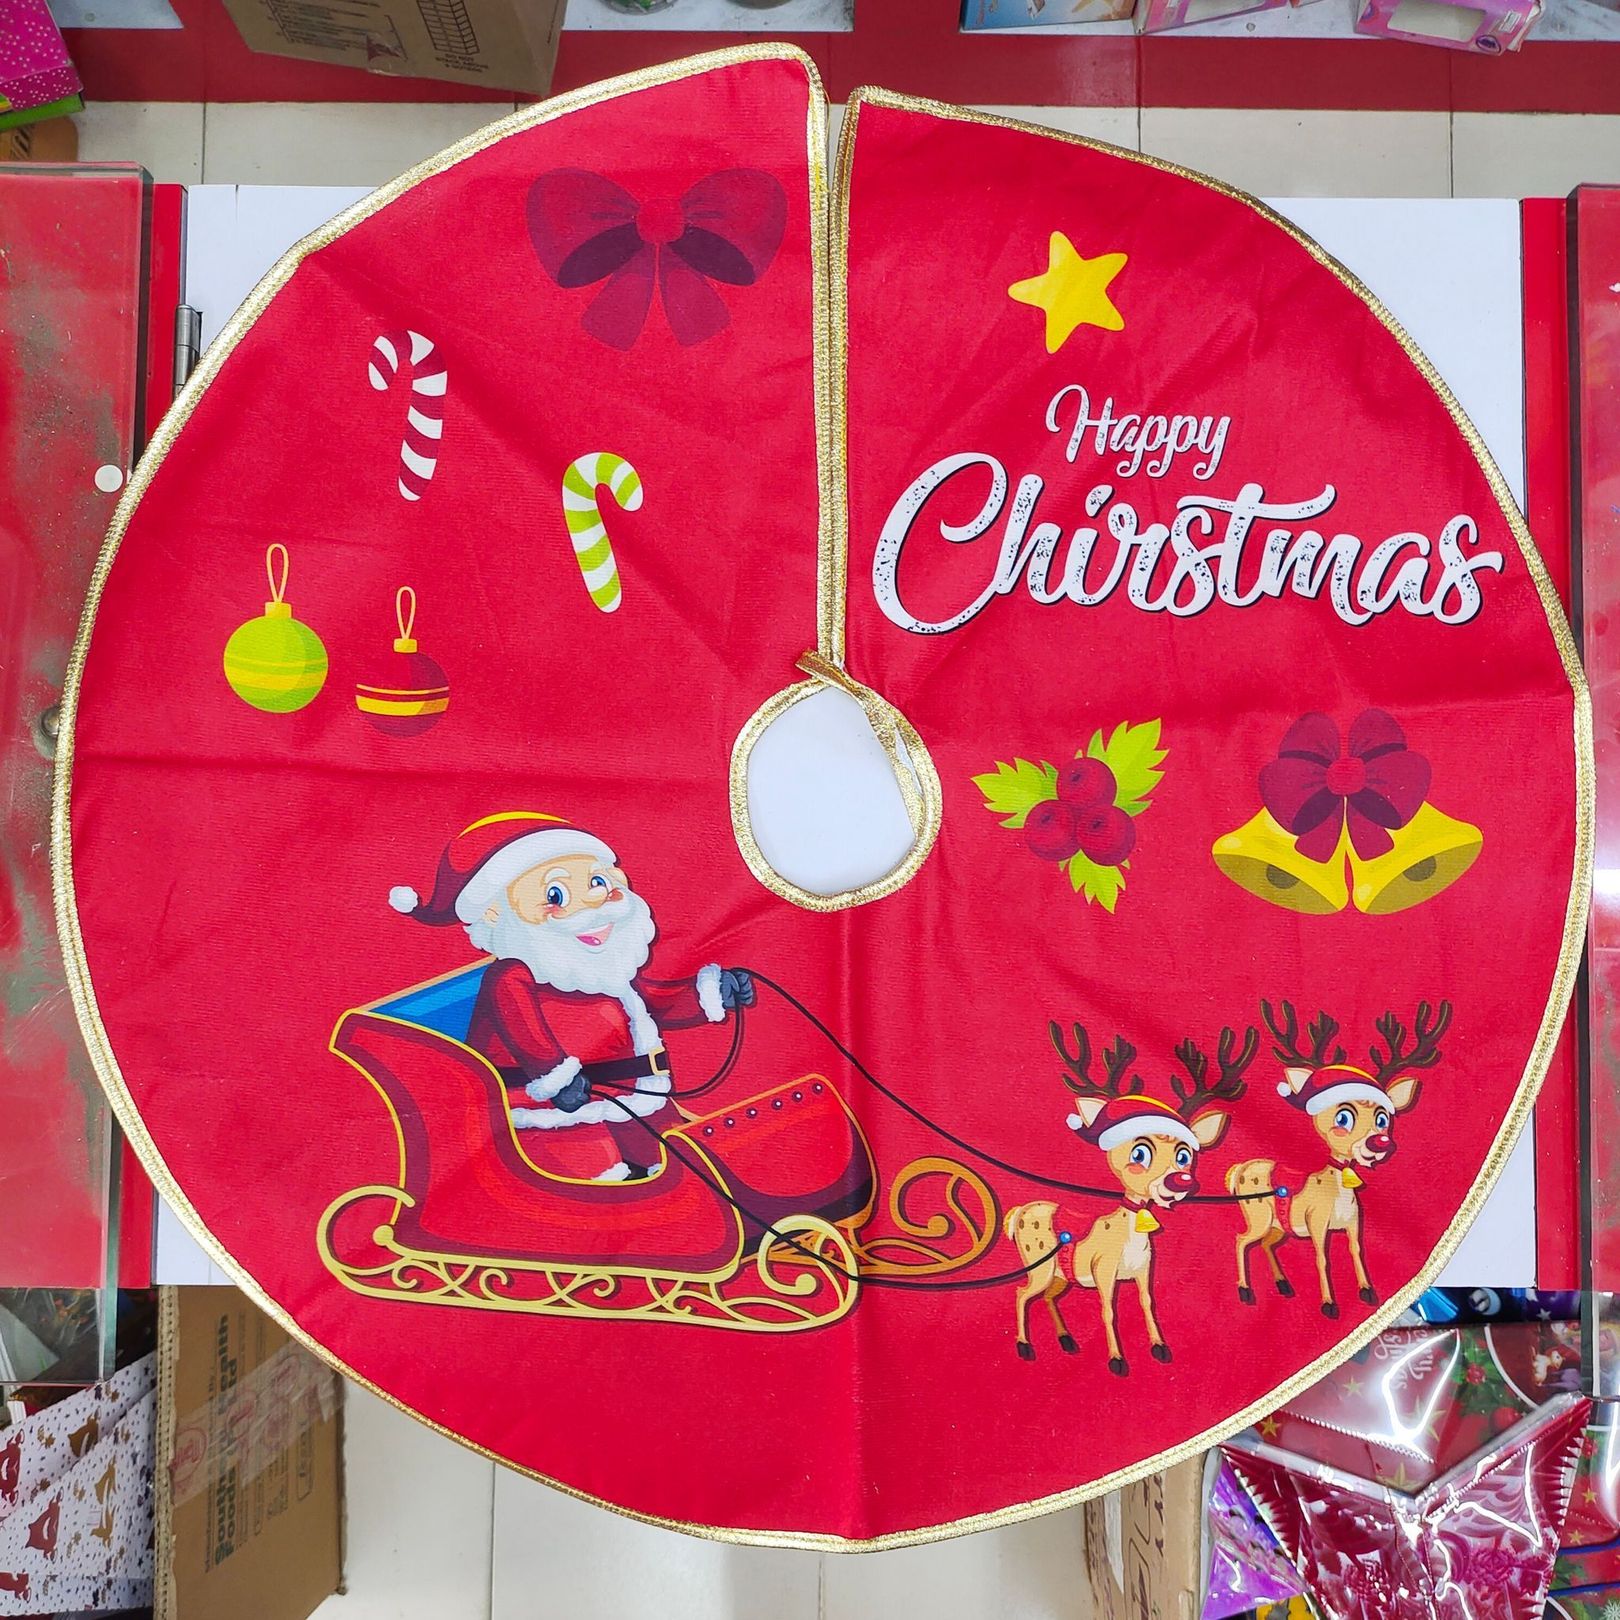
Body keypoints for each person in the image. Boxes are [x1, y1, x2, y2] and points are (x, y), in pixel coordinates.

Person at [389, 812, 754, 1182]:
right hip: (550, 1111)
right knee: (601, 1177)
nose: (592, 903)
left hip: (634, 1098)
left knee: (688, 1160)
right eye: (556, 894)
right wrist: (556, 1078)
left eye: (597, 882)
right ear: (497, 911)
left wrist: (711, 992)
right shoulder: (514, 976)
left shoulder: (607, 969)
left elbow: (655, 1000)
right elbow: (525, 1032)